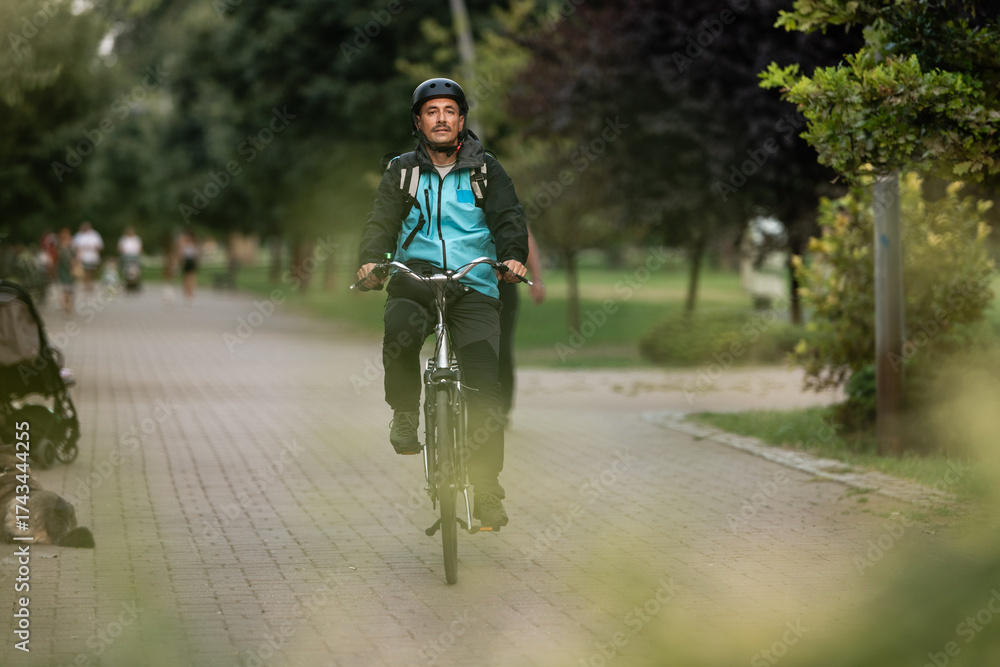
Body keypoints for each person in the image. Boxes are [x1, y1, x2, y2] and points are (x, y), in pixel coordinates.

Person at [356, 77, 528, 528]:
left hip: (473, 283)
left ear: (461, 120)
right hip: (416, 278)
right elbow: (381, 221)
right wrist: (371, 260)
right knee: (400, 330)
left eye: (449, 111)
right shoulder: (402, 171)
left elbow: (508, 217)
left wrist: (513, 256)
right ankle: (405, 412)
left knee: (485, 386)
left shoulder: (486, 169)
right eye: (431, 111)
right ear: (418, 121)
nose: (441, 119)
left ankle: (486, 490)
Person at [498, 226, 546, 426]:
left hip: (503, 283)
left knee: (501, 348)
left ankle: (502, 409)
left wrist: (537, 278)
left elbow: (524, 233)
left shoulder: (506, 207)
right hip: (466, 279)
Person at [72, 221, 103, 293]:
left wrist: (93, 247)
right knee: (84, 270)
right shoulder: (78, 235)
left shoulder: (95, 234)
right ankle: (85, 284)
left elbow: (100, 246)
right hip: (82, 256)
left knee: (91, 270)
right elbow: (74, 246)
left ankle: (90, 283)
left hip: (92, 256)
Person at [55, 228, 77, 315]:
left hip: (70, 269)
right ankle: (66, 305)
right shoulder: (61, 247)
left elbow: (75, 256)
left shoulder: (70, 246)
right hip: (64, 270)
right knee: (66, 288)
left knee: (69, 289)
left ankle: (68, 305)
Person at [177, 231, 199, 301]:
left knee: (191, 277)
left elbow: (196, 254)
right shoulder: (184, 245)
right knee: (186, 278)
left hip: (191, 261)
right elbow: (181, 255)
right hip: (186, 261)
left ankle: (191, 292)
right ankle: (186, 292)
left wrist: (196, 262)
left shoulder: (193, 245)